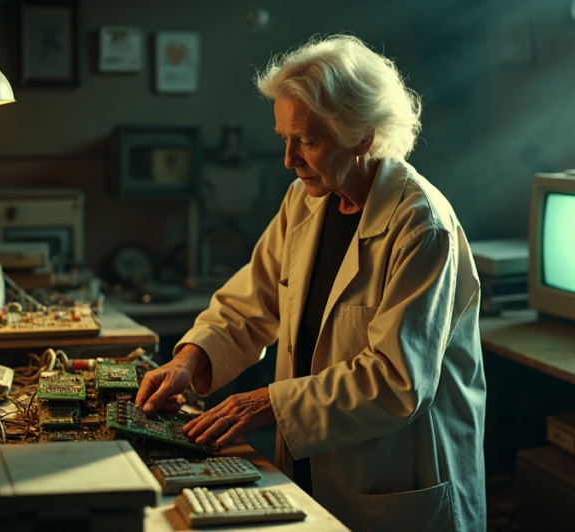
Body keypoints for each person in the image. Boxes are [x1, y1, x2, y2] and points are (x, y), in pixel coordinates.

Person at [135, 34, 486, 532]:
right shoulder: (306, 200)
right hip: (312, 464)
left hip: (393, 478)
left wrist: (266, 402)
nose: (289, 159)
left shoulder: (421, 225)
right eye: (284, 138)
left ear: (361, 136)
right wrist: (188, 360)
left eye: (308, 141)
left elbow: (396, 382)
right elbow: (249, 303)